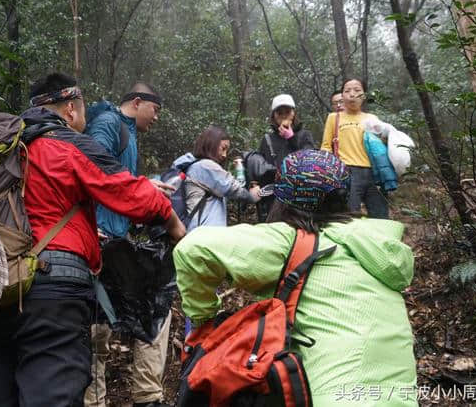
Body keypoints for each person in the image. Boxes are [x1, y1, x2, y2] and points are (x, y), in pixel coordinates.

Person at [0, 72, 185, 407]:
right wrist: (174, 224)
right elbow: (128, 192)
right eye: (82, 113)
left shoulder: (0, 149)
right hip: (52, 290)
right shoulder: (65, 143)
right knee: (53, 393)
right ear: (70, 110)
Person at [173, 149, 417, 406]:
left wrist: (203, 322)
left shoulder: (288, 241)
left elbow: (192, 249)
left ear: (283, 199)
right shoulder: (375, 242)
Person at [84, 82, 175, 407]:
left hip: (115, 242)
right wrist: (142, 184)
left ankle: (142, 397)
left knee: (111, 323)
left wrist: (145, 189)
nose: (156, 118)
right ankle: (130, 398)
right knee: (101, 328)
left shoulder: (127, 133)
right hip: (99, 241)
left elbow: (117, 185)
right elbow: (91, 168)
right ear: (138, 102)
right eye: (156, 110)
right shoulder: (109, 124)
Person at [321, 78, 389, 218]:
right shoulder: (334, 118)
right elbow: (326, 146)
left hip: (373, 172)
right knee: (349, 216)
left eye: (357, 90)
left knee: (380, 216)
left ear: (364, 95)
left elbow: (381, 146)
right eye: (347, 91)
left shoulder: (372, 118)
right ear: (342, 96)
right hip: (347, 172)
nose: (352, 94)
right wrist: (326, 171)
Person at [172, 125, 261, 233]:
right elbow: (233, 189)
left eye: (227, 151)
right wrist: (252, 196)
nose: (225, 155)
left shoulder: (196, 166)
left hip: (199, 234)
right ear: (211, 144)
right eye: (223, 148)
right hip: (205, 235)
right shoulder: (205, 166)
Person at [256, 94, 315, 222]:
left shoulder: (305, 135)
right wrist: (254, 185)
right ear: (274, 116)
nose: (284, 115)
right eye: (279, 112)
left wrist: (291, 138)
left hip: (300, 194)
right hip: (274, 197)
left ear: (293, 113)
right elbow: (261, 167)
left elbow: (310, 160)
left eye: (287, 111)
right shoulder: (267, 139)